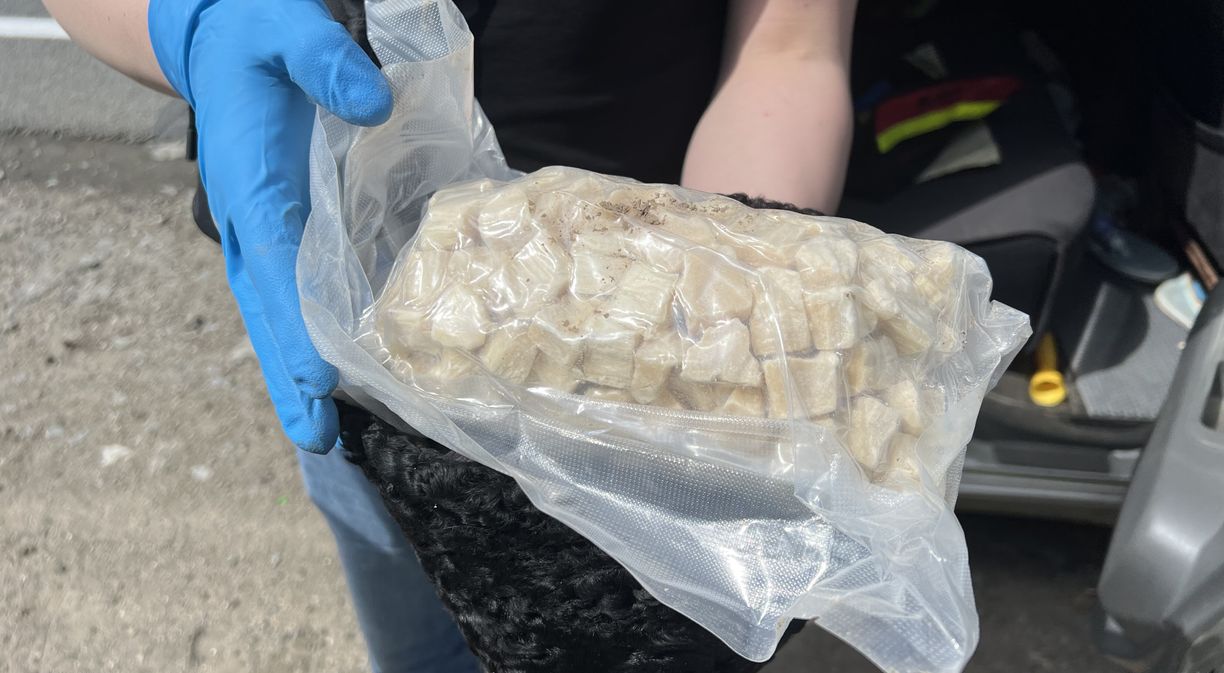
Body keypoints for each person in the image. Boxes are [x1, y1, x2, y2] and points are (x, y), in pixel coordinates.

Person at [41, 0, 857, 670]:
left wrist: (736, 306)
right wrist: (193, 22)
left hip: (651, 324)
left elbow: (787, 47)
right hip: (366, 351)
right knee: (415, 624)